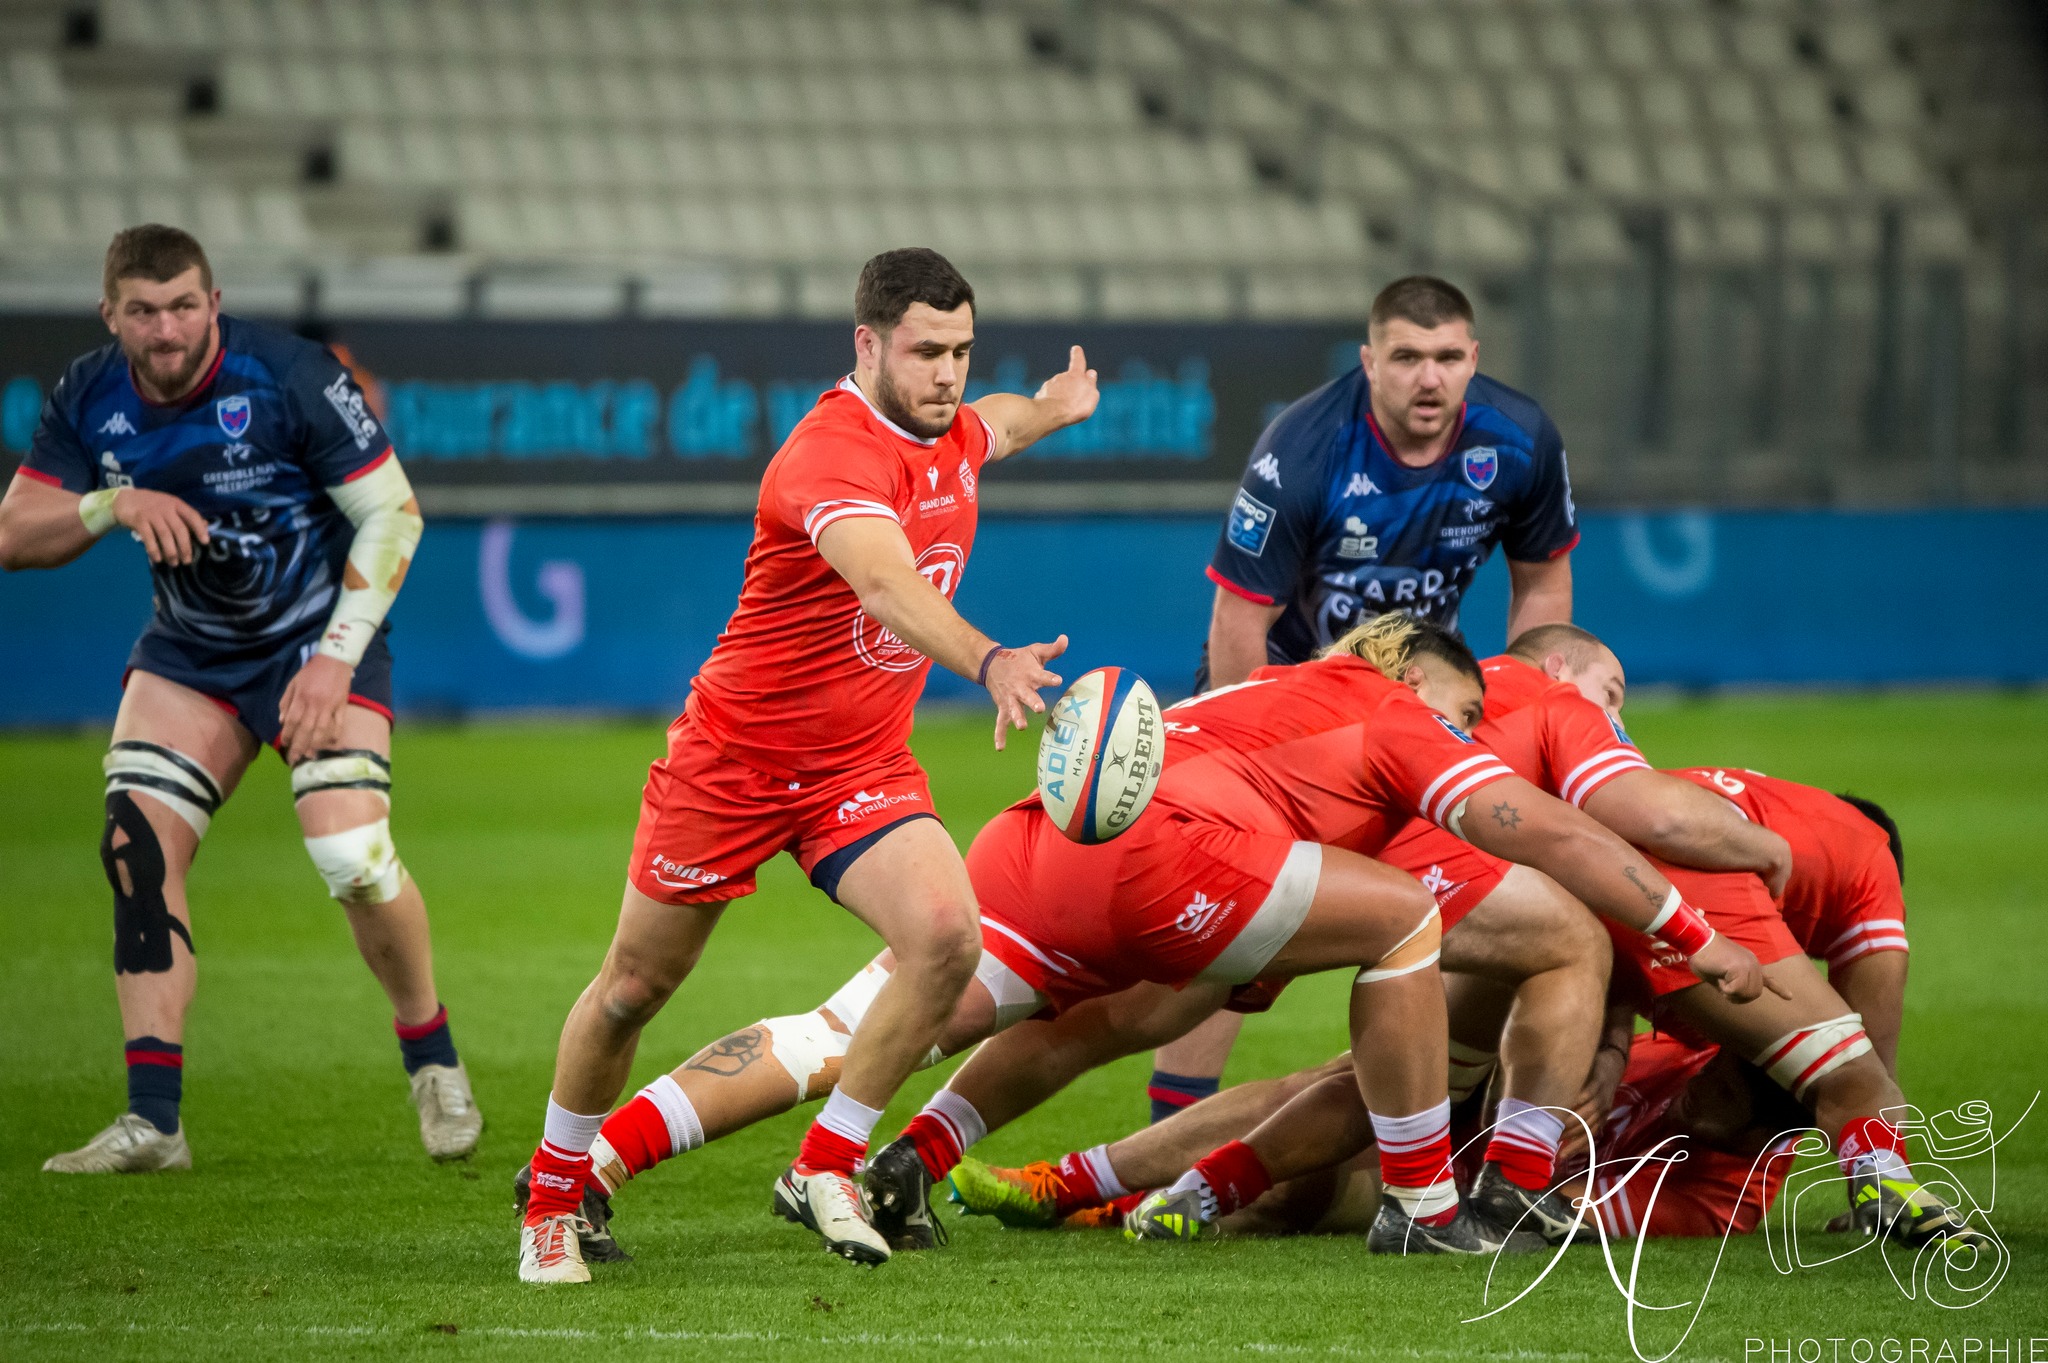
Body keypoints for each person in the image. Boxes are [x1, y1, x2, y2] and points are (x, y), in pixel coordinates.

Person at [521, 615, 1766, 1260]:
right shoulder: (1387, 708)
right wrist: (1679, 925)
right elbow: (1534, 828)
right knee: (1402, 924)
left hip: (1042, 844)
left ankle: (585, 1174)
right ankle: (1422, 1204)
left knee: (861, 1029)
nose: (1462, 730)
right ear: (1404, 672)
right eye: (1458, 708)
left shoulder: (1260, 695)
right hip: (1186, 852)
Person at [513, 248, 1099, 1283]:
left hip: (857, 767)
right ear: (866, 344)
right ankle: (553, 1198)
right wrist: (990, 659)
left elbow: (994, 424)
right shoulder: (827, 455)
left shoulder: (954, 425)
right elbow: (884, 584)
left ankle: (825, 1162)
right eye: (925, 351)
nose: (947, 373)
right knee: (631, 991)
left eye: (961, 350)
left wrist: (1052, 405)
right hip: (733, 765)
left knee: (946, 939)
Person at [0, 225, 479, 1172]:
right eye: (144, 310)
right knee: (134, 848)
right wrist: (110, 504)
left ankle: (431, 1055)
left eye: (184, 306)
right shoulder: (90, 393)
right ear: (112, 316)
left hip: (319, 642)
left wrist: (335, 659)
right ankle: (153, 1120)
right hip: (192, 654)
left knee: (350, 851)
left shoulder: (289, 375)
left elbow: (393, 511)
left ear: (213, 304)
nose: (167, 329)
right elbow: (15, 531)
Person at [1155, 273, 1581, 1126]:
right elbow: (1240, 620)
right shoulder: (1302, 450)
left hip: (1419, 709)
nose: (1430, 378)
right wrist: (1256, 756)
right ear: (1369, 360)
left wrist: (1519, 707)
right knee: (1233, 939)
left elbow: (1542, 586)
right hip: (1289, 704)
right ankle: (1170, 1134)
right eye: (1408, 358)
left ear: (1475, 359)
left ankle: (1463, 1112)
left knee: (1488, 895)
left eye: (1449, 358)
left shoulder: (1521, 439)